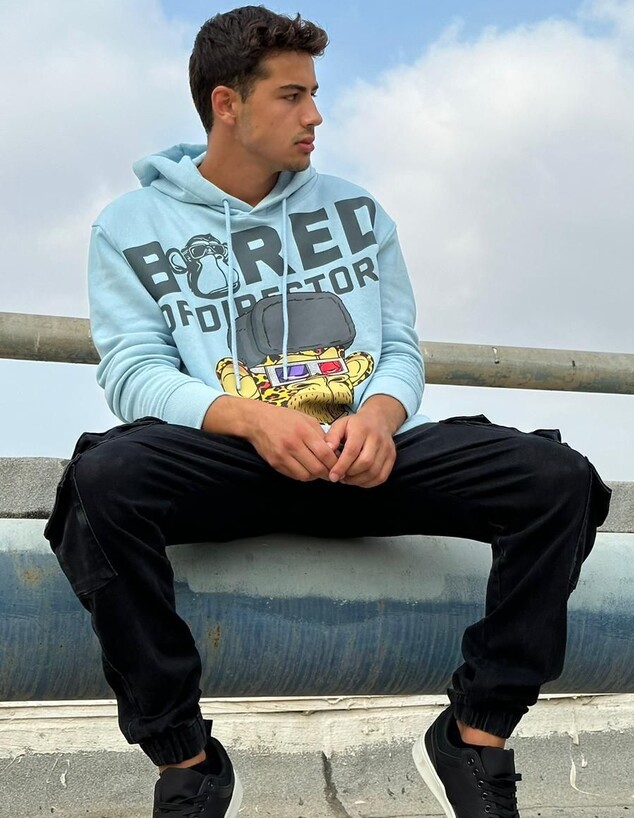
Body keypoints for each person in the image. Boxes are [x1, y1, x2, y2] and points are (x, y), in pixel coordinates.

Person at [44, 6, 612, 818]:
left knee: (558, 479)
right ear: (227, 104)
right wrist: (252, 419)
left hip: (366, 459)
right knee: (100, 481)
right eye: (292, 96)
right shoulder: (131, 226)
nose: (315, 115)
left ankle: (476, 736)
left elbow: (400, 350)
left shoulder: (357, 211)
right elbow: (135, 373)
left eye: (314, 93)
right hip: (238, 462)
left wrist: (379, 419)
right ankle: (188, 763)